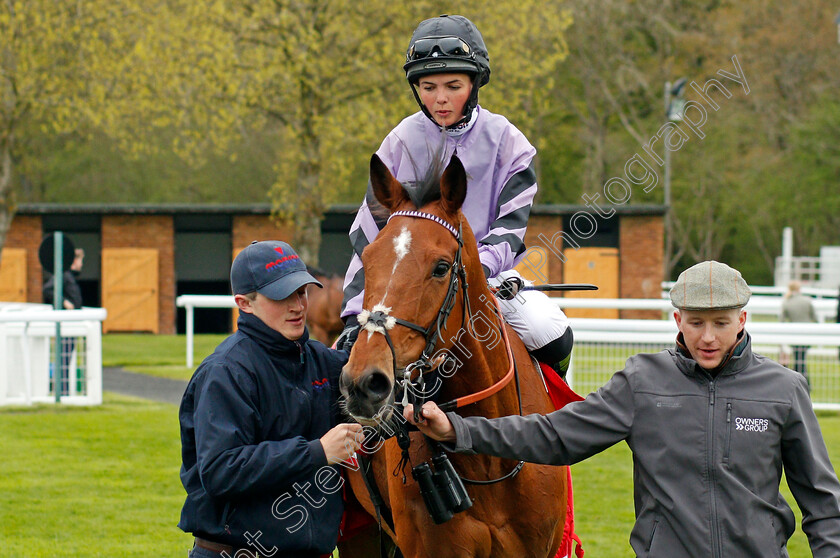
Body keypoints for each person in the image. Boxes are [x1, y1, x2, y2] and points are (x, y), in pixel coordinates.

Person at [406, 260, 840, 557]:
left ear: (742, 320)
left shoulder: (784, 390)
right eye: (696, 323)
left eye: (721, 323)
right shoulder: (642, 382)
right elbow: (554, 436)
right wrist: (458, 431)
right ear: (677, 321)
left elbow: (823, 502)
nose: (708, 337)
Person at [338, 14, 574, 378]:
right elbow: (369, 238)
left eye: (453, 85)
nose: (440, 99)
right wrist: (355, 315)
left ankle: (552, 418)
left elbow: (509, 230)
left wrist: (472, 273)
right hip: (411, 288)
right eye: (428, 87)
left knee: (552, 332)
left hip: (489, 281)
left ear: (475, 82)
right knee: (342, 361)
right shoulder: (398, 142)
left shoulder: (509, 143)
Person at [178, 240, 364, 558]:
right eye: (281, 295)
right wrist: (318, 452)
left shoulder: (324, 360)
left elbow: (375, 387)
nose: (297, 305)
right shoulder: (226, 371)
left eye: (301, 292)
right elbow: (221, 470)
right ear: (244, 303)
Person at [43, 248, 85, 395]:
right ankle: (62, 392)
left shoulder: (70, 277)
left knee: (67, 360)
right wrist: (64, 302)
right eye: (80, 260)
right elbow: (48, 290)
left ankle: (64, 391)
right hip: (65, 325)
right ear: (74, 260)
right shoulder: (64, 275)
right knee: (63, 360)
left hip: (72, 325)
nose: (82, 264)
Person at [781, 280, 817, 383]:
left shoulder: (787, 302)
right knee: (801, 359)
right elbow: (815, 318)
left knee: (798, 358)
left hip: (794, 335)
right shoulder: (807, 300)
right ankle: (803, 382)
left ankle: (800, 381)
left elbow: (782, 320)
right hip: (807, 335)